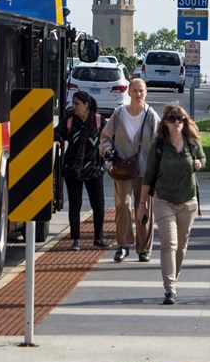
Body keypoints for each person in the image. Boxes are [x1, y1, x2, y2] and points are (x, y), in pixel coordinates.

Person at [141, 103, 205, 305]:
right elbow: (148, 176)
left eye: (180, 119)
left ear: (184, 121)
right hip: (164, 200)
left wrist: (199, 163)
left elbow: (202, 158)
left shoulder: (192, 142)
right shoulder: (158, 147)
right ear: (165, 123)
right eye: (172, 119)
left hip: (188, 200)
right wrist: (142, 203)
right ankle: (170, 289)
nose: (176, 123)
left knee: (182, 246)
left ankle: (173, 279)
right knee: (169, 244)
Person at [99, 77, 159, 262]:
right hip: (122, 169)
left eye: (141, 91)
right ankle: (123, 245)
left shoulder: (151, 115)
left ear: (146, 93)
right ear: (129, 92)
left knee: (144, 208)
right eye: (135, 91)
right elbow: (105, 137)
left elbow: (160, 142)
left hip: (145, 171)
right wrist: (107, 150)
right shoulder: (119, 114)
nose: (138, 94)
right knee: (122, 206)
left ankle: (144, 249)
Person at [54, 91, 110, 251]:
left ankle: (98, 237)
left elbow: (108, 140)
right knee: (75, 204)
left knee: (98, 204)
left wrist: (108, 156)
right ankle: (75, 240)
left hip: (94, 169)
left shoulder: (99, 121)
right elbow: (56, 134)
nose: (74, 106)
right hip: (73, 170)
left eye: (77, 103)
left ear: (86, 105)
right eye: (73, 103)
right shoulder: (70, 121)